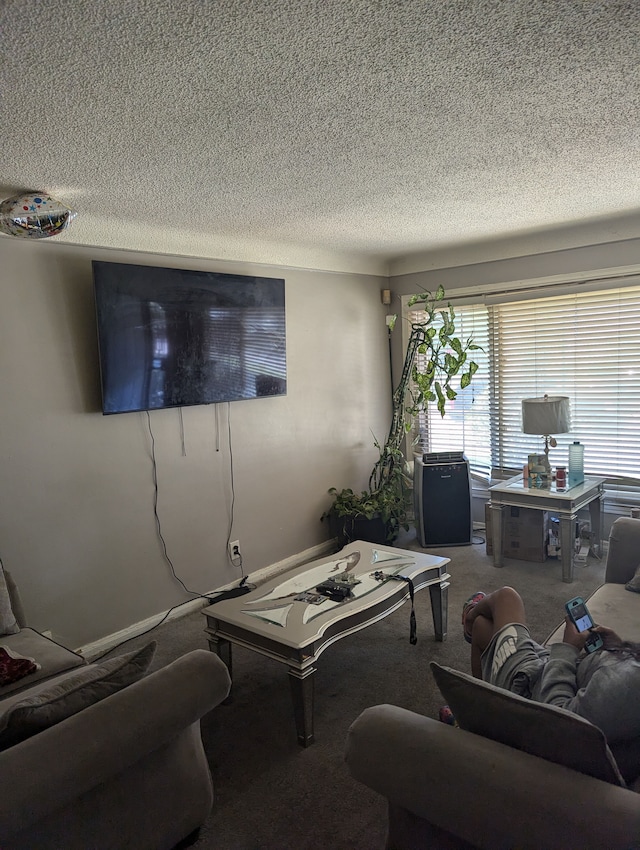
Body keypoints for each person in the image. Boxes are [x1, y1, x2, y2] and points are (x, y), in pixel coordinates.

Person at [460, 586, 640, 747]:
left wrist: (568, 648)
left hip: (529, 692)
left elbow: (554, 718)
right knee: (482, 626)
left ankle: (469, 617)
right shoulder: (627, 683)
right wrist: (618, 649)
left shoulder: (628, 686)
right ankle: (473, 719)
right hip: (558, 674)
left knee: (506, 598)